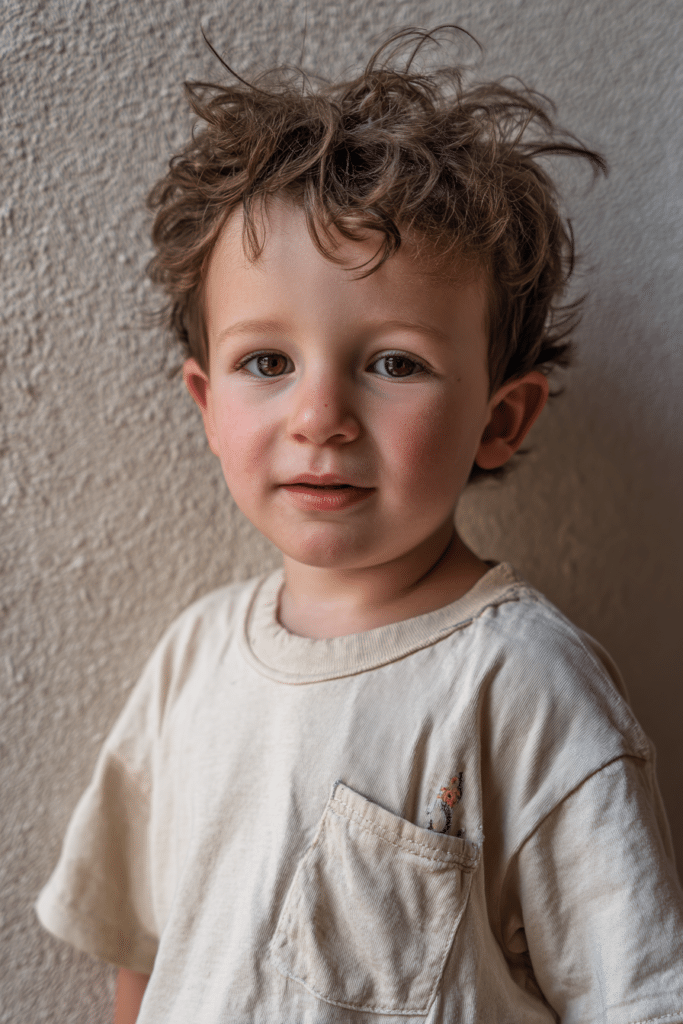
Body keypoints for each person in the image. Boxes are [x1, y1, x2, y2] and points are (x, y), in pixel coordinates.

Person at [36, 26, 683, 1024]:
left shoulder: (523, 688)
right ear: (206, 403)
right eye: (266, 362)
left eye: (391, 363)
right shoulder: (194, 658)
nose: (319, 417)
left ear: (496, 420)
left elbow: (635, 993)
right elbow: (147, 953)